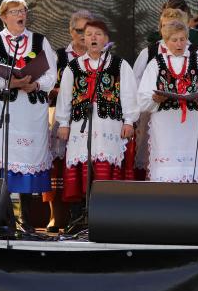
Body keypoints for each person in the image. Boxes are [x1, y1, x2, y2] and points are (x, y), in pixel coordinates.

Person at [0, 0, 58, 226]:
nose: (20, 15)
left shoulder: (40, 41)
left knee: (28, 162)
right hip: (5, 110)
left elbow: (51, 75)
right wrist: (13, 83)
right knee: (4, 160)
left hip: (31, 112)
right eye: (14, 12)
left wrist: (35, 85)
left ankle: (27, 220)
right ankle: (6, 220)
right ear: (3, 17)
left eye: (23, 11)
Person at [55, 20, 138, 202]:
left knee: (105, 165)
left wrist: (129, 121)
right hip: (81, 127)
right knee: (83, 164)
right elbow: (65, 96)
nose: (93, 37)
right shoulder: (73, 66)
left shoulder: (119, 64)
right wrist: (63, 123)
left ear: (106, 39)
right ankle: (82, 212)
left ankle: (105, 208)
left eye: (98, 34)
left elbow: (129, 94)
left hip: (110, 127)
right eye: (89, 34)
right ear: (84, 40)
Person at [138, 11, 198, 182]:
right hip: (165, 125)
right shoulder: (156, 63)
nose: (179, 44)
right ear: (166, 41)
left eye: (182, 39)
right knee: (167, 171)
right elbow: (142, 97)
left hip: (192, 123)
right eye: (174, 40)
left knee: (192, 168)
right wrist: (154, 99)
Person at [43, 9, 94, 231]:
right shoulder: (59, 56)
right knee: (57, 164)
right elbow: (45, 85)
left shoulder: (101, 57)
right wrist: (61, 91)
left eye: (88, 30)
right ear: (71, 31)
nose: (84, 35)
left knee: (85, 163)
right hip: (61, 115)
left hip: (90, 117)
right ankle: (56, 215)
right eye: (79, 30)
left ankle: (83, 215)